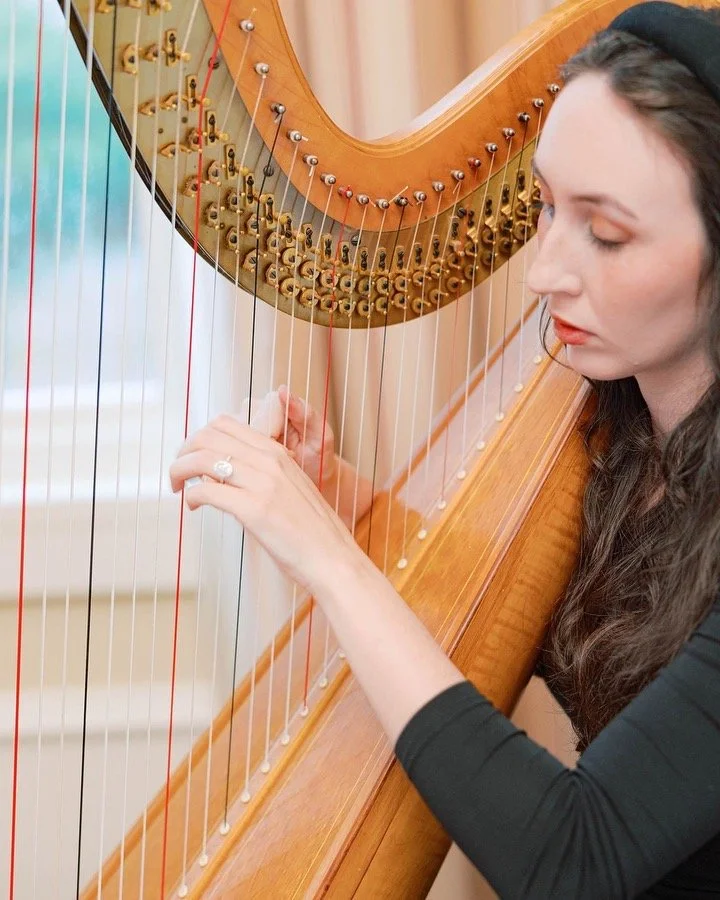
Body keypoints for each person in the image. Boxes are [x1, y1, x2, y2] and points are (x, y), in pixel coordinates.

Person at [169, 3, 720, 896]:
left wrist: (327, 560)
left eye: (608, 234)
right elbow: (566, 636)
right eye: (545, 207)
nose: (543, 272)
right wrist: (345, 503)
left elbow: (574, 861)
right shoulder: (626, 441)